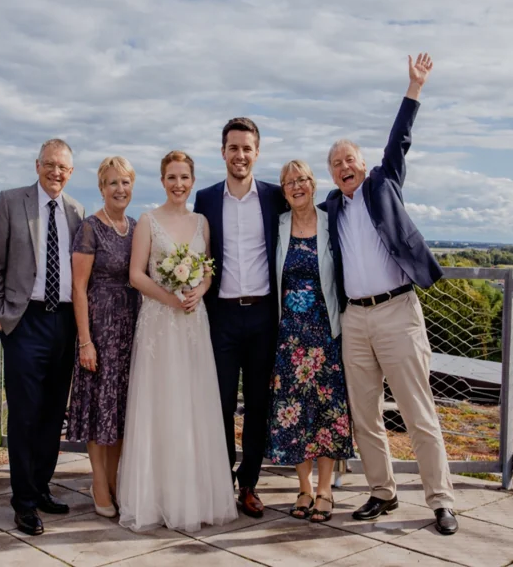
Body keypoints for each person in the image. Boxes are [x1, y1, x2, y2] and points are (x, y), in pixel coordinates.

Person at [321, 53, 458, 535]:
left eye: (349, 159)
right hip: (355, 319)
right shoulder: (330, 208)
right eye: (336, 163)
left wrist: (414, 88)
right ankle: (382, 492)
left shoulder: (383, 184)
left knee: (418, 412)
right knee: (365, 416)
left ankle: (441, 500)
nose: (344, 166)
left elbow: (399, 138)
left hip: (398, 310)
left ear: (363, 164)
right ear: (331, 175)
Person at [117, 151, 237, 533]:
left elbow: (208, 271)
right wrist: (169, 298)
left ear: (192, 180)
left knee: (194, 403)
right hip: (160, 324)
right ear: (162, 180)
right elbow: (136, 275)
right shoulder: (148, 222)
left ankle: (195, 497)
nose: (178, 184)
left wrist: (200, 290)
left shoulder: (202, 222)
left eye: (184, 177)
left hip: (193, 323)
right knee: (162, 403)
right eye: (172, 177)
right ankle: (159, 499)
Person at [0, 138, 85, 536]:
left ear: (71, 173)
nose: (56, 172)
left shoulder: (76, 211)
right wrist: (0, 318)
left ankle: (41, 487)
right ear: (37, 165)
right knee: (25, 416)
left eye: (63, 167)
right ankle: (23, 502)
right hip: (24, 322)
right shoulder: (11, 201)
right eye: (50, 164)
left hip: (64, 322)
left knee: (52, 414)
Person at [193, 118, 287, 518]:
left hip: (264, 315)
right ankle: (220, 481)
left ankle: (248, 483)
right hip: (222, 316)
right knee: (221, 402)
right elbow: (196, 252)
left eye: (247, 148)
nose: (240, 155)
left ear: (257, 153)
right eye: (233, 148)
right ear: (223, 152)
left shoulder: (275, 197)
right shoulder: (206, 199)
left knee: (259, 404)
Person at [266, 160, 354, 523]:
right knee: (294, 413)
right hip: (289, 337)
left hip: (325, 334)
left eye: (301, 179)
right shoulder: (278, 226)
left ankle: (325, 490)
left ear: (312, 184)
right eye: (288, 182)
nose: (296, 186)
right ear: (283, 191)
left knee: (326, 413)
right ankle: (303, 488)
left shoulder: (331, 222)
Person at [67, 156, 140, 518]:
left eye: (125, 182)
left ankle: (114, 482)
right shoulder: (90, 228)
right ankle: (98, 483)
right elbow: (78, 288)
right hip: (99, 330)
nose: (119, 189)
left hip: (131, 330)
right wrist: (85, 341)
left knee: (121, 411)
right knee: (100, 411)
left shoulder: (136, 227)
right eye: (113, 183)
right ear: (101, 188)